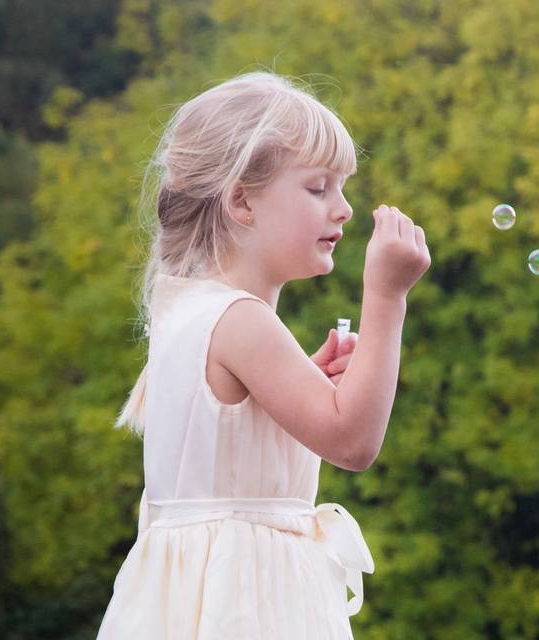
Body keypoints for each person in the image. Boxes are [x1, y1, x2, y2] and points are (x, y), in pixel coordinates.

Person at [96, 70, 431, 639]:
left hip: (189, 601)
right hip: (248, 604)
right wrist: (387, 296)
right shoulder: (242, 320)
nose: (345, 209)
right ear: (241, 202)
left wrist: (304, 387)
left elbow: (227, 446)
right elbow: (353, 442)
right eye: (318, 187)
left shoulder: (189, 311)